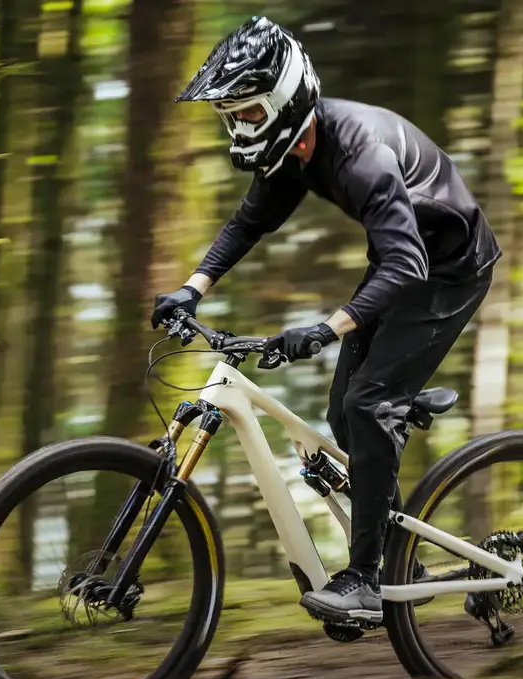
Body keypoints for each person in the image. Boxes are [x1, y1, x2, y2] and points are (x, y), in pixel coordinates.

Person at [152, 16, 500, 625]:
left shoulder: (360, 154)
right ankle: (401, 563)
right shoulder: (294, 149)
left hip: (448, 270)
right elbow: (249, 222)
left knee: (368, 404)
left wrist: (324, 329)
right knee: (343, 414)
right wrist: (191, 288)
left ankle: (365, 579)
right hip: (400, 265)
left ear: (285, 101)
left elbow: (409, 264)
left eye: (249, 113)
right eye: (231, 117)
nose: (240, 128)